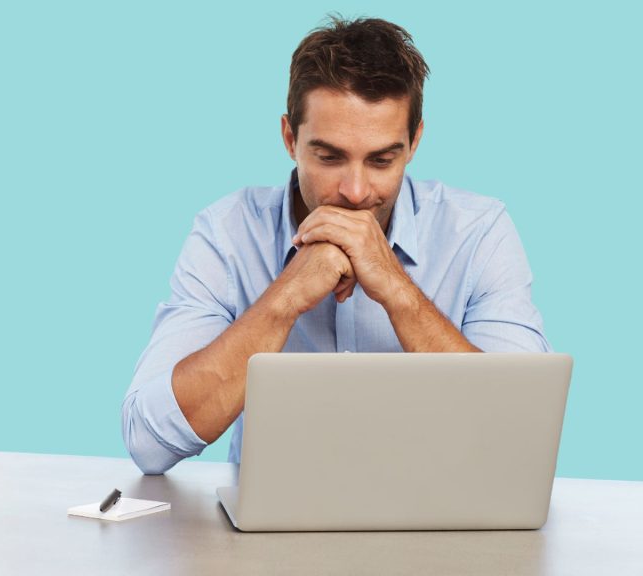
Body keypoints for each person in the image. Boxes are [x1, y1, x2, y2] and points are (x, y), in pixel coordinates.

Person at [122, 16, 552, 475]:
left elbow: (519, 437)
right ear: (290, 138)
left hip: (442, 529)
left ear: (414, 143)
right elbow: (149, 443)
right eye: (328, 157)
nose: (354, 190)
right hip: (270, 536)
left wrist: (394, 286)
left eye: (382, 160)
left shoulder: (479, 232)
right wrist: (285, 299)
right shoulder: (226, 234)